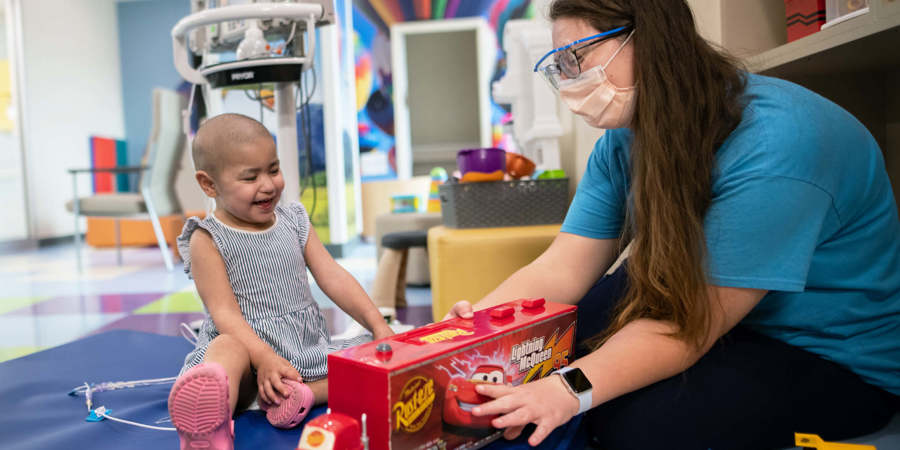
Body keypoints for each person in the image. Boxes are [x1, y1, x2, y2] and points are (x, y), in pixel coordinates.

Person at [444, 1, 900, 448]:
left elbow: (689, 325)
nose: (568, 83)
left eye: (577, 58)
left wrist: (566, 391)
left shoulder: (777, 147)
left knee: (628, 419)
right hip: (702, 298)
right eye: (558, 65)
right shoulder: (623, 140)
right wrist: (457, 342)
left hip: (828, 353)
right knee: (557, 345)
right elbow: (563, 268)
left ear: (651, 40)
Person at [167, 113, 394, 449]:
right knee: (226, 350)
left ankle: (301, 395)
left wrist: (378, 325)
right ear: (209, 184)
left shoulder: (294, 219)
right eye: (250, 177)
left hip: (301, 351)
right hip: (244, 353)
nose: (269, 184)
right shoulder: (208, 239)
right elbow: (225, 315)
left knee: (367, 361)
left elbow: (333, 276)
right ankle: (208, 430)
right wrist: (263, 357)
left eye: (273, 169)